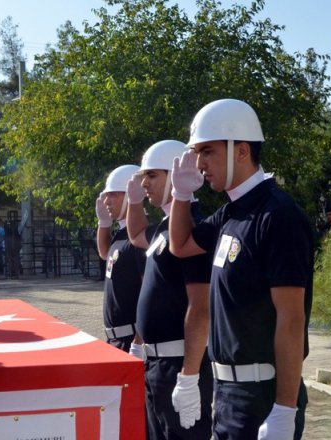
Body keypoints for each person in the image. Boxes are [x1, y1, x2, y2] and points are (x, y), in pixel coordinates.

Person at [169, 99, 313, 440]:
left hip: (263, 395)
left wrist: (284, 410)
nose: (200, 163)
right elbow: (181, 245)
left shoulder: (277, 215)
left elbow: (291, 320)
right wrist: (181, 194)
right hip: (228, 393)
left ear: (242, 150)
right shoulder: (232, 212)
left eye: (208, 151)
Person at [125, 140, 214, 439]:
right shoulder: (166, 227)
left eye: (152, 175)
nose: (144, 183)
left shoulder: (192, 227)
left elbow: (200, 306)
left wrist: (189, 375)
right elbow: (136, 234)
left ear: (176, 174)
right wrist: (135, 203)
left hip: (179, 364)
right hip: (157, 364)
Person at [95, 164, 145, 352]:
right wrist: (104, 224)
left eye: (113, 194)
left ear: (131, 193)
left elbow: (146, 295)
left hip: (131, 339)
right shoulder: (122, 234)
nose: (107, 200)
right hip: (115, 339)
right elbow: (104, 253)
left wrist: (138, 343)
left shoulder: (140, 236)